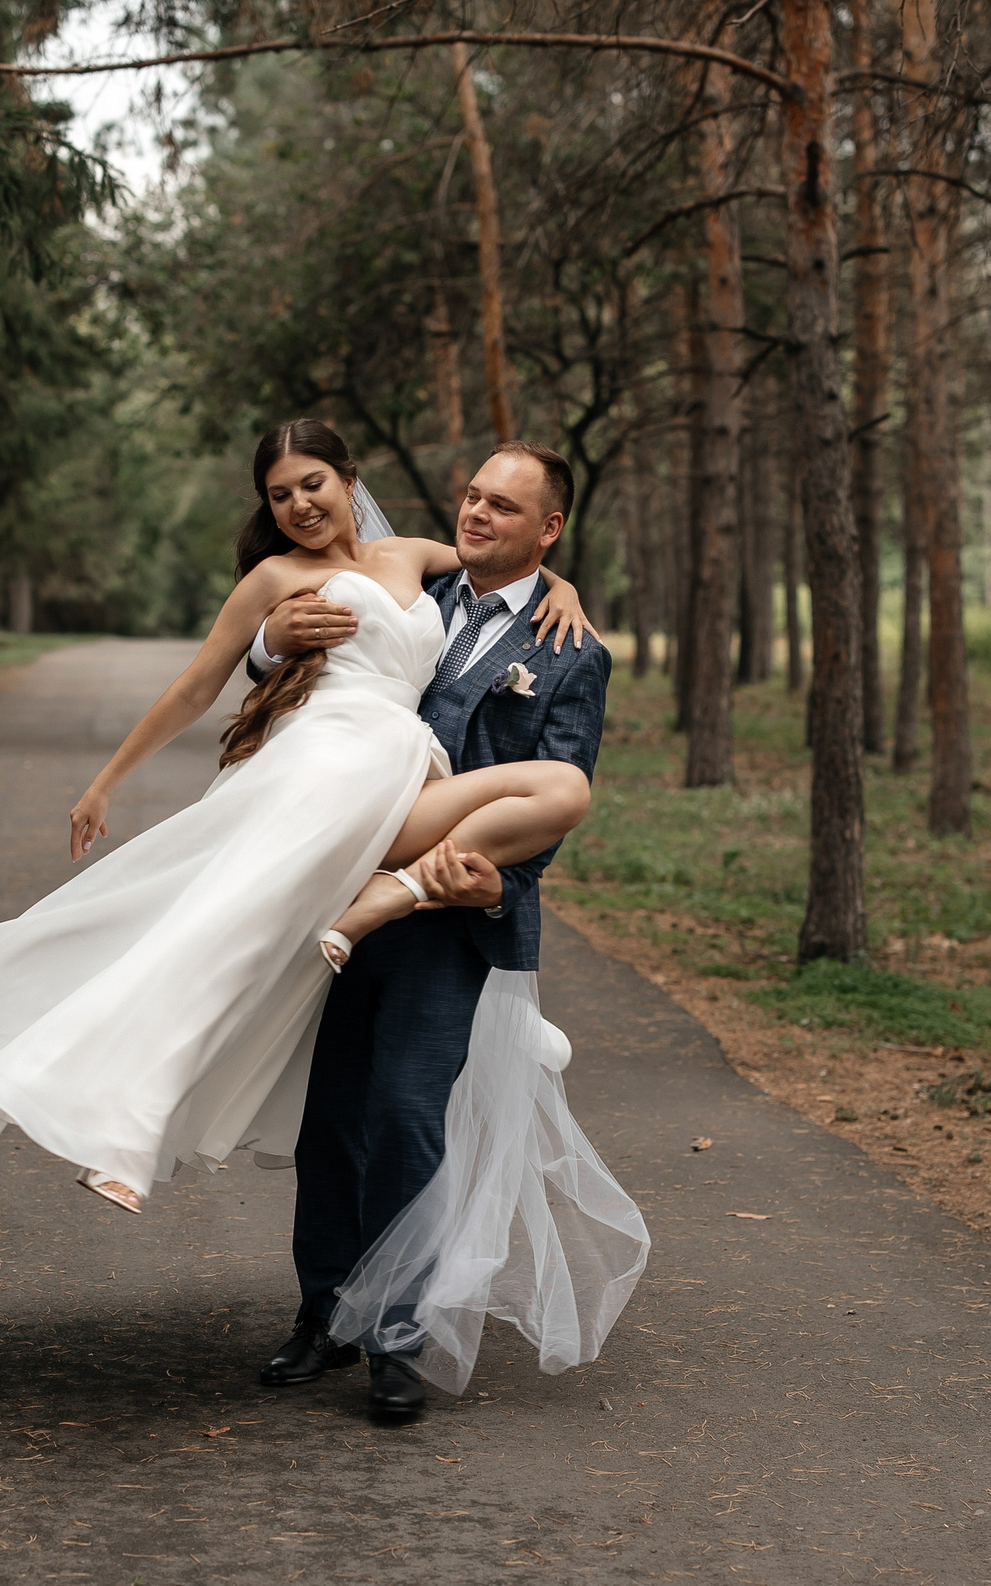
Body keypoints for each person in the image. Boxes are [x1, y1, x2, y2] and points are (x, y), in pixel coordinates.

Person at [243, 434, 641, 1419]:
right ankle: (322, 1311)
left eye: (504, 507)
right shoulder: (401, 592)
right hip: (344, 896)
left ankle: (397, 1335)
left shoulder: (570, 649)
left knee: (406, 1116)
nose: (475, 514)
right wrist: (265, 643)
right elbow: (280, 658)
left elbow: (552, 801)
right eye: (471, 495)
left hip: (449, 918)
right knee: (330, 1120)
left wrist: (496, 888)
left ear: (549, 529)